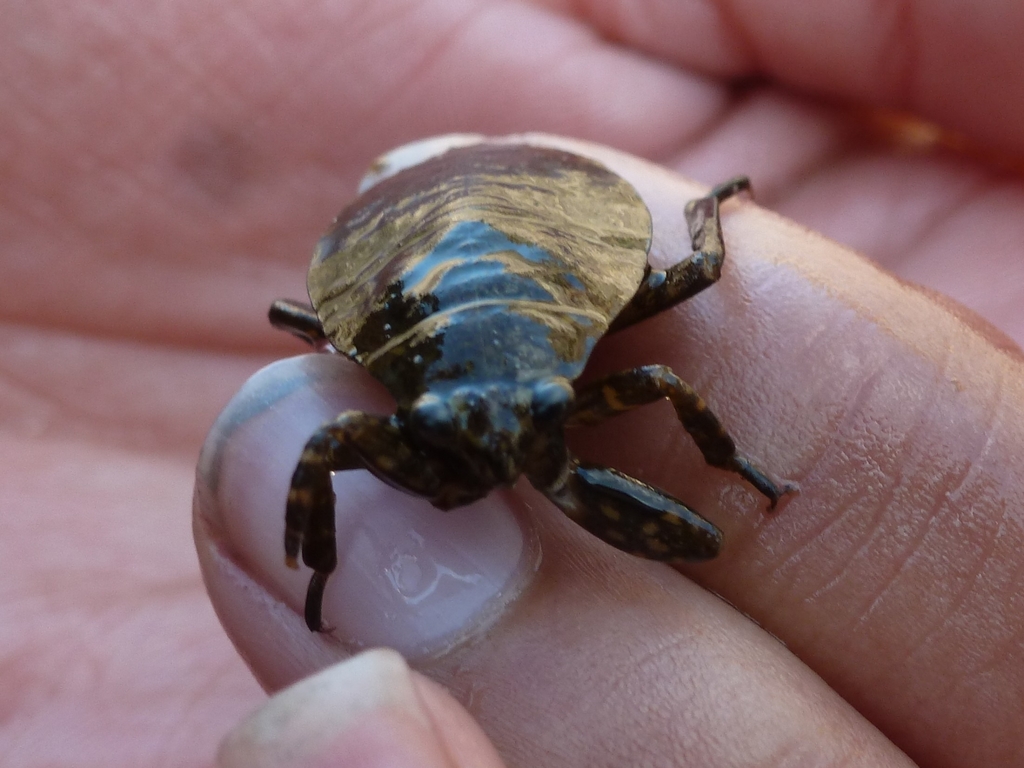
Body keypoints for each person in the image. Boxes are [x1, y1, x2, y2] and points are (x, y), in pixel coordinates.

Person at [5, 2, 1023, 766]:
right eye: (460, 429)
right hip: (466, 268)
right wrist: (314, 563)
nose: (492, 442)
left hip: (457, 268)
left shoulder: (538, 386)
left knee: (682, 307)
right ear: (420, 407)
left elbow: (679, 325)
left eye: (530, 415)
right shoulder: (497, 404)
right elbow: (319, 445)